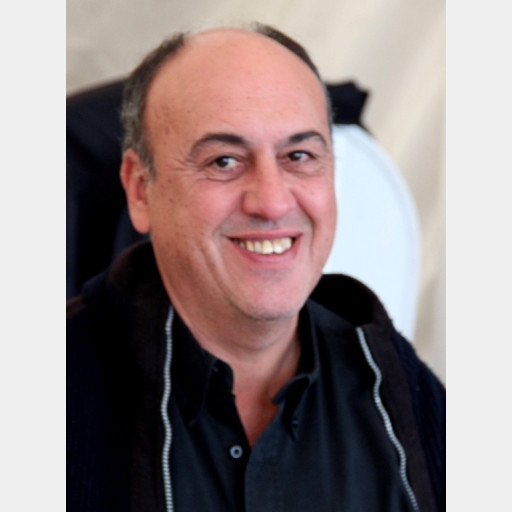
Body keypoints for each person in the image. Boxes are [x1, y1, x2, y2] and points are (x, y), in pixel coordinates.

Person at [67, 24, 445, 512]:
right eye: (224, 161)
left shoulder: (405, 397)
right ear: (140, 189)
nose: (272, 202)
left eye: (299, 156)